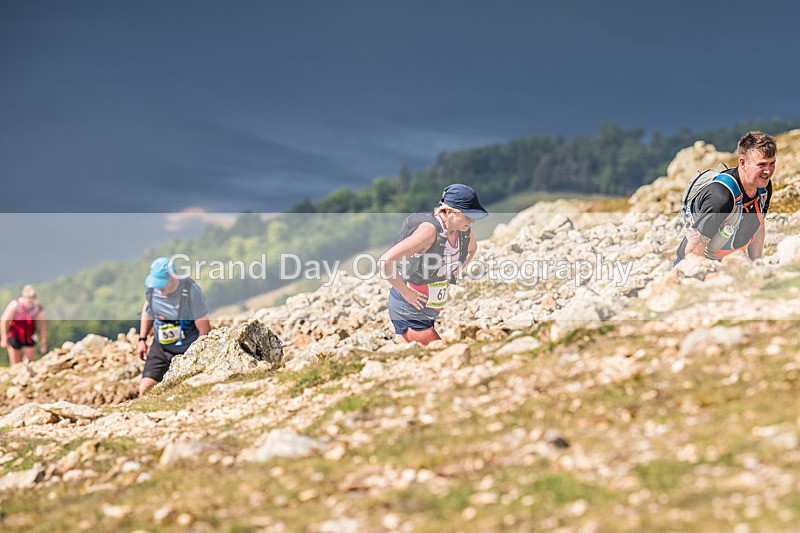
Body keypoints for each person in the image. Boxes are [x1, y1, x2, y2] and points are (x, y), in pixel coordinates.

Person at [380, 184, 488, 345]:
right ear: (449, 211)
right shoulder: (428, 232)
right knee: (444, 356)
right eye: (467, 215)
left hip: (430, 309)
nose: (472, 220)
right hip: (408, 309)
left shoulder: (463, 230)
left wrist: (455, 271)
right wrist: (406, 293)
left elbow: (472, 249)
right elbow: (385, 262)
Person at [677, 131, 776, 263]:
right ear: (742, 163)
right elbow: (692, 252)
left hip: (734, 262)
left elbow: (757, 225)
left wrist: (757, 265)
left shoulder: (763, 187)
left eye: (772, 163)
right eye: (761, 164)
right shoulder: (721, 198)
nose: (768, 171)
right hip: (698, 264)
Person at [137, 257, 211, 395]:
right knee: (145, 388)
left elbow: (204, 328)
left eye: (162, 284)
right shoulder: (152, 289)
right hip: (160, 348)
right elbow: (147, 312)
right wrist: (142, 340)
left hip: (187, 349)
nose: (159, 288)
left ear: (173, 277)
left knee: (184, 390)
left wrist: (196, 355)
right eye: (156, 284)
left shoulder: (191, 291)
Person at [0, 285, 47, 365]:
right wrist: (4, 338)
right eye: (28, 300)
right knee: (15, 364)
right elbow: (4, 321)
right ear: (24, 297)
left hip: (29, 335)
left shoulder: (37, 307)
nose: (30, 303)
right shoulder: (15, 306)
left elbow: (43, 326)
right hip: (15, 334)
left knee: (29, 362)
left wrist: (44, 342)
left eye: (32, 301)